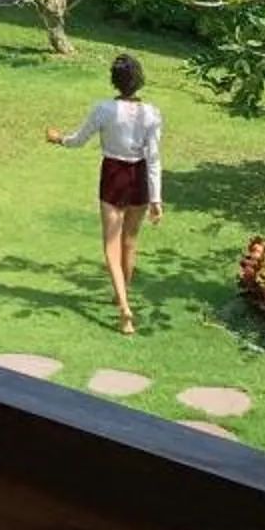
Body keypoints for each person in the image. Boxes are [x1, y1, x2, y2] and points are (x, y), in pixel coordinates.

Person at [46, 53, 164, 334]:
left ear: (115, 81)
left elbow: (78, 140)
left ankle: (124, 309)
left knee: (111, 243)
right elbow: (155, 157)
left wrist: (58, 138)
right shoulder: (152, 113)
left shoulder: (104, 109)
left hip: (113, 174)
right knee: (130, 242)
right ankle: (121, 293)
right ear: (139, 80)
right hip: (139, 177)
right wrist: (156, 199)